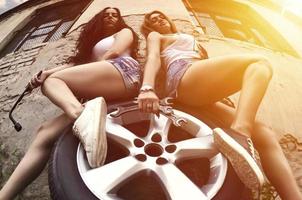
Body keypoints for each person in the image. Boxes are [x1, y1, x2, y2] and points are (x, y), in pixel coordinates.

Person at [138, 10, 302, 199]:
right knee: (260, 63)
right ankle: (240, 132)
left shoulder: (188, 39)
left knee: (264, 133)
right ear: (149, 28)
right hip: (184, 73)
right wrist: (147, 87)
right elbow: (153, 58)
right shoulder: (156, 36)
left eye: (161, 17)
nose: (158, 20)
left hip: (198, 91)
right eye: (152, 20)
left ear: (169, 20)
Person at [0, 7, 141, 200]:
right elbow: (76, 66)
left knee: (54, 82)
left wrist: (57, 76)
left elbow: (115, 52)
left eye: (115, 14)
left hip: (123, 72)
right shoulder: (93, 46)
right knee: (44, 133)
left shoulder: (123, 32)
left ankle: (81, 115)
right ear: (98, 20)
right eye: (106, 14)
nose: (110, 16)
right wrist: (44, 74)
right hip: (100, 93)